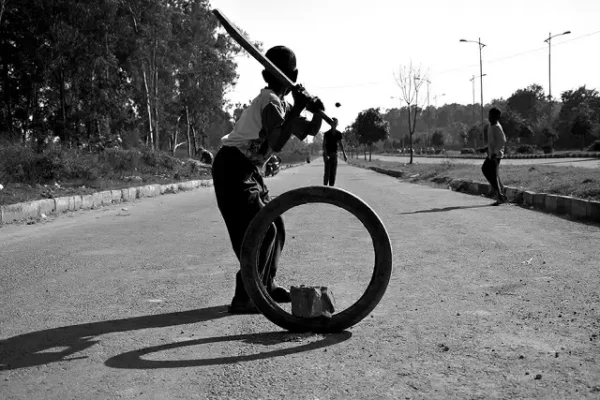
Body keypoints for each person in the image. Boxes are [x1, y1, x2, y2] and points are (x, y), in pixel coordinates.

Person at [211, 45, 324, 314]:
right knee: (262, 229)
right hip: (233, 167)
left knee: (277, 224)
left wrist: (317, 111)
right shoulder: (270, 101)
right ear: (293, 75)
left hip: (248, 169)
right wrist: (298, 108)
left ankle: (266, 284)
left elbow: (307, 130)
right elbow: (277, 142)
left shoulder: (282, 104)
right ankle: (246, 295)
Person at [480, 107, 507, 205]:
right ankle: (499, 191)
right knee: (488, 171)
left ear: (497, 118)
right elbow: (493, 142)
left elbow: (502, 140)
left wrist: (495, 152)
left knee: (490, 173)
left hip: (496, 155)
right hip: (491, 154)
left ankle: (499, 194)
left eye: (492, 116)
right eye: (489, 116)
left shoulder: (497, 127)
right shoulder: (491, 126)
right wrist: (486, 148)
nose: (490, 118)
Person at [322, 118, 347, 186]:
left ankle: (331, 188)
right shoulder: (327, 134)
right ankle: (325, 188)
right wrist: (326, 155)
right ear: (331, 124)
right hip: (327, 154)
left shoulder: (338, 134)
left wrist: (344, 154)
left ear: (337, 124)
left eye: (336, 123)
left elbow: (340, 144)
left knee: (333, 173)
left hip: (334, 154)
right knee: (327, 172)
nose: (334, 124)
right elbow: (324, 145)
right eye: (333, 123)